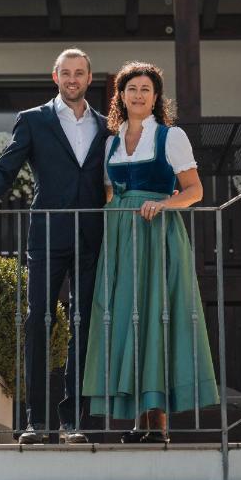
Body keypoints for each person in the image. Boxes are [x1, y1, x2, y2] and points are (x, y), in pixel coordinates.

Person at [0, 48, 109, 445]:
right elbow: (5, 168)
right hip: (47, 235)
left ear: (90, 79)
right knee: (39, 320)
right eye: (66, 73)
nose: (73, 79)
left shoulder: (107, 125)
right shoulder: (33, 120)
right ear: (55, 76)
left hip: (93, 236)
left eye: (80, 73)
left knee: (85, 325)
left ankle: (76, 421)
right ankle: (37, 422)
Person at [83, 61, 219, 443]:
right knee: (125, 318)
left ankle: (156, 425)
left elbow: (194, 191)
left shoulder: (170, 137)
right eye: (132, 89)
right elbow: (110, 191)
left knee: (157, 315)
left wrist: (163, 204)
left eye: (146, 89)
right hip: (120, 236)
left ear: (156, 97)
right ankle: (136, 421)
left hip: (157, 234)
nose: (138, 95)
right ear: (121, 97)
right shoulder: (111, 141)